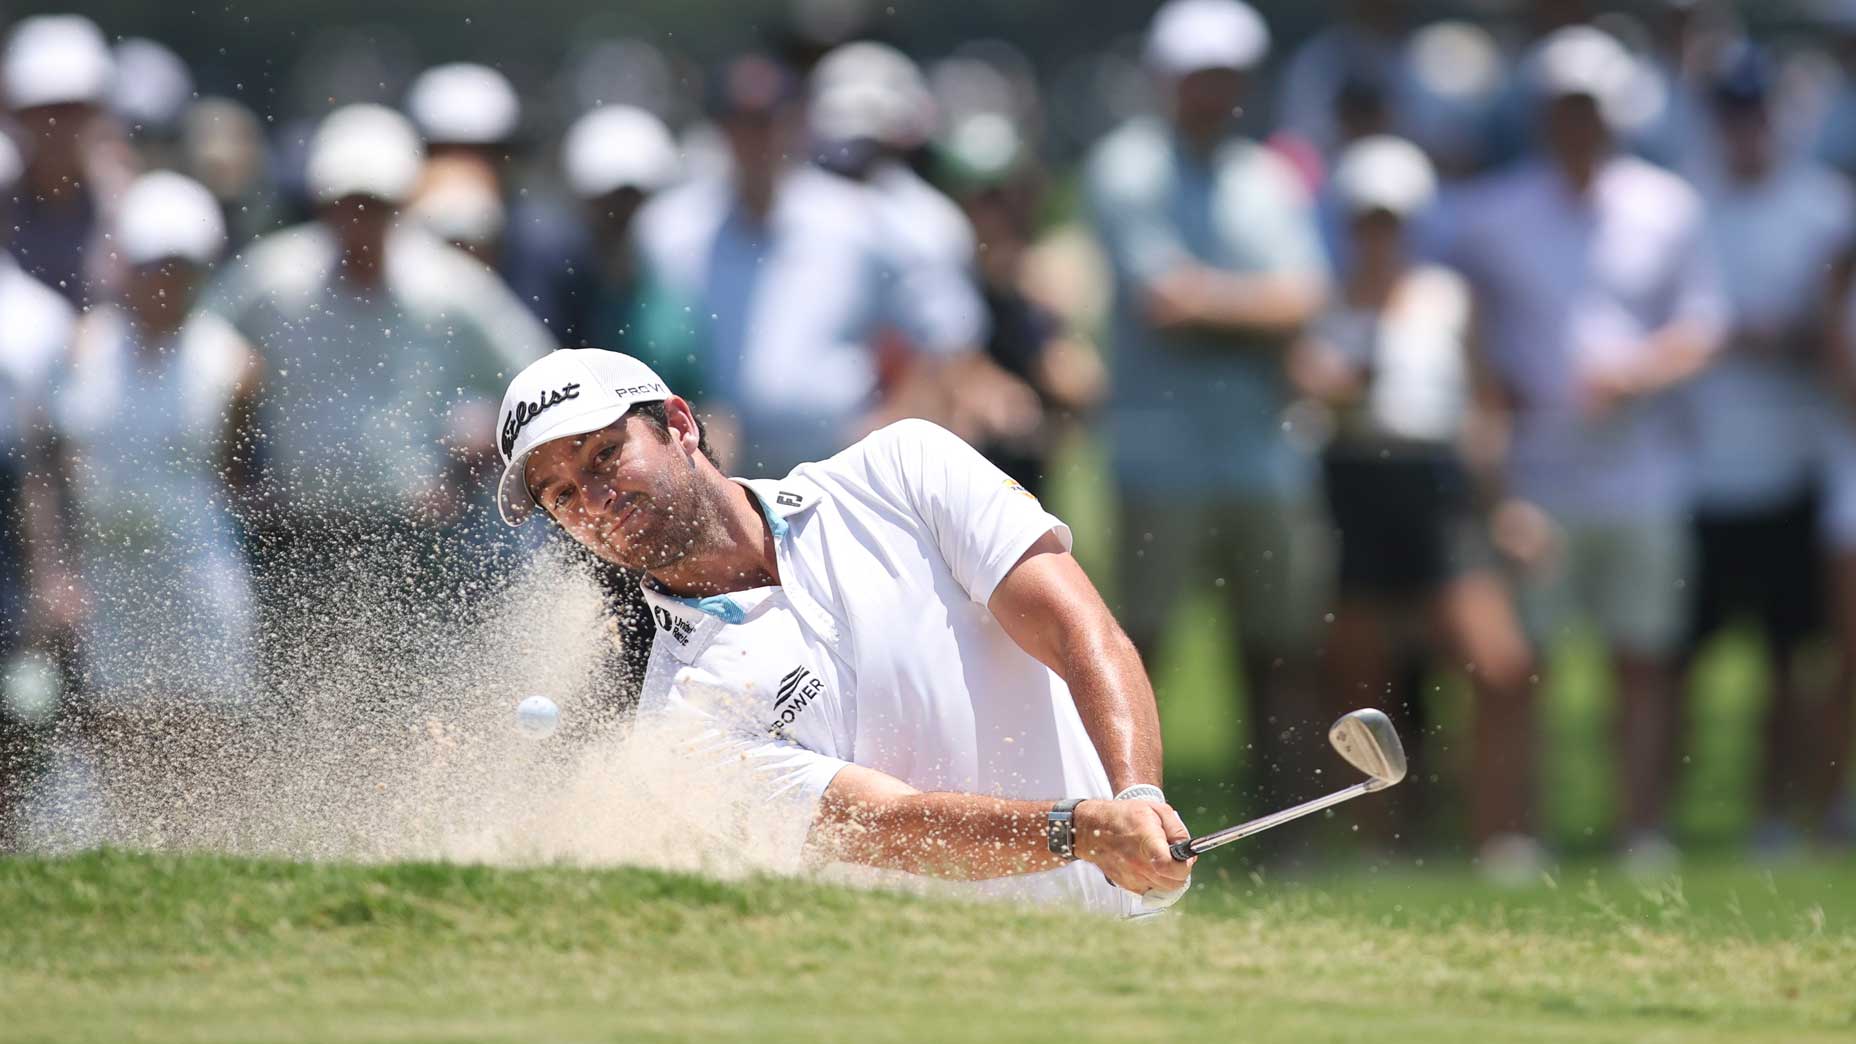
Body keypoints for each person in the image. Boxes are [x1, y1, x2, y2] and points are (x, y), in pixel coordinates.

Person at [495, 348, 1193, 917]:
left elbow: (1078, 630)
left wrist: (1137, 799)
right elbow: (893, 828)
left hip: (1129, 938)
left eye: (604, 456)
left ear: (679, 424)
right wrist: (1082, 832)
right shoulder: (679, 722)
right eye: (560, 496)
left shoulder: (903, 469)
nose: (593, 501)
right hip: (956, 998)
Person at [1440, 26, 1727, 871]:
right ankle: (1516, 836)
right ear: (1541, 114)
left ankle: (1641, 830)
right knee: (1522, 668)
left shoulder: (1667, 205)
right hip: (1536, 477)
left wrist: (1636, 374)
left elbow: (1701, 327)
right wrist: (1492, 388)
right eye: (1564, 108)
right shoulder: (1493, 215)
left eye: (1589, 108)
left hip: (1643, 474)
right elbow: (1463, 325)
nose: (1577, 124)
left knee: (1642, 659)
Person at [1084, 0, 1333, 815]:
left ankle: (1283, 825)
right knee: (1138, 643)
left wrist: (1227, 307)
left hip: (1262, 453)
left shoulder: (1267, 177)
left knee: (1279, 649)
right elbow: (1168, 304)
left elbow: (1303, 301)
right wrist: (1265, 312)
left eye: (1225, 77)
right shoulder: (1127, 167)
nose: (1212, 91)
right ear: (1167, 79)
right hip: (1162, 455)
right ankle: (1124, 811)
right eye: (1198, 76)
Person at [1293, 136, 1533, 864]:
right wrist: (1332, 387)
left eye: (1390, 220)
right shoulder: (1323, 301)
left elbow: (1484, 405)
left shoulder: (1447, 299)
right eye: (1367, 219)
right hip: (1357, 481)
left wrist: (1503, 503)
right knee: (1365, 679)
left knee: (1498, 665)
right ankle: (1382, 843)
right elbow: (1307, 385)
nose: (1378, 235)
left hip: (1436, 485)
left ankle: (1502, 839)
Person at [40, 173, 262, 843]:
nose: (164, 285)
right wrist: (58, 568)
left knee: (207, 720)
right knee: (116, 722)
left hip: (195, 565)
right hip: (109, 568)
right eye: (152, 269)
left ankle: (205, 848)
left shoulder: (233, 361)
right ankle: (130, 847)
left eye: (179, 270)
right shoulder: (82, 347)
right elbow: (52, 467)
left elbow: (238, 474)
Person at [634, 54, 987, 477]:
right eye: (742, 122)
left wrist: (894, 421)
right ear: (722, 130)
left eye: (768, 120)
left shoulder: (858, 221)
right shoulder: (673, 232)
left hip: (841, 458)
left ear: (795, 125)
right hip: (721, 463)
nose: (757, 138)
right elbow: (659, 350)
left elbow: (942, 334)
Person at [1683, 45, 1851, 856]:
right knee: (1684, 658)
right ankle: (1670, 815)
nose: (1744, 129)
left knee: (1793, 660)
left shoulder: (1826, 209)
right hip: (1700, 467)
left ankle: (1782, 812)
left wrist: (1784, 338)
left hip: (1795, 466)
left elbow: (1827, 335)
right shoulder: (1689, 205)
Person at [0, 131, 77, 851]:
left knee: (20, 717)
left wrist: (54, 573)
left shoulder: (37, 318)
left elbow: (44, 468)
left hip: (10, 560)